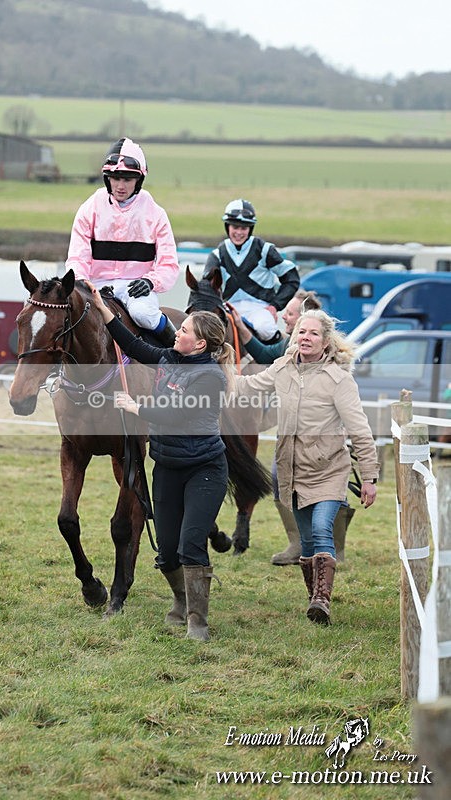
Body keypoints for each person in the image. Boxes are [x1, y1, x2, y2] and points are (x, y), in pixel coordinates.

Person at [90, 284, 234, 641]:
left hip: (204, 470)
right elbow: (134, 345)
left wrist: (134, 407)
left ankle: (198, 622)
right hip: (167, 466)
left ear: (199, 344)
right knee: (167, 551)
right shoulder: (170, 358)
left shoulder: (210, 377)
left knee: (190, 545)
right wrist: (103, 309)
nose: (177, 332)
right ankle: (181, 600)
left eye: (184, 330)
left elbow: (177, 414)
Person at [233, 309, 379, 625]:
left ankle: (322, 601)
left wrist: (369, 476)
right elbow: (247, 386)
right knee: (307, 541)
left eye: (313, 333)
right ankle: (315, 599)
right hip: (292, 470)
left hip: (329, 469)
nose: (306, 338)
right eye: (301, 332)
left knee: (322, 528)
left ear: (326, 342)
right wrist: (215, 373)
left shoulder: (339, 380)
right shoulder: (282, 368)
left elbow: (360, 430)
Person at [227, 289, 357, 567]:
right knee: (279, 478)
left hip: (324, 444)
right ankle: (298, 543)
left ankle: (335, 547)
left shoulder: (332, 369)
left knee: (329, 492)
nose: (284, 317)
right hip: (291, 440)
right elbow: (262, 357)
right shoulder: (288, 351)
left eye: (290, 313)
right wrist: (221, 370)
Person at [65, 137, 179, 346]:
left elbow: (169, 265)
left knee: (144, 314)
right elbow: (77, 257)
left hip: (135, 289)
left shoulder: (156, 214)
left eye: (127, 179)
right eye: (115, 178)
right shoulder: (89, 208)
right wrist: (82, 282)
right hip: (95, 286)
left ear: (139, 180)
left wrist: (150, 282)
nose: (120, 186)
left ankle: (178, 352)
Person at [203, 198, 300, 342]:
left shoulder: (264, 250)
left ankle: (280, 351)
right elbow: (206, 286)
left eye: (244, 228)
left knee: (265, 329)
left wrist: (275, 306)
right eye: (235, 227)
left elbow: (291, 278)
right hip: (228, 308)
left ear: (250, 229)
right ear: (227, 227)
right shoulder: (217, 254)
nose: (239, 232)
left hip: (259, 309)